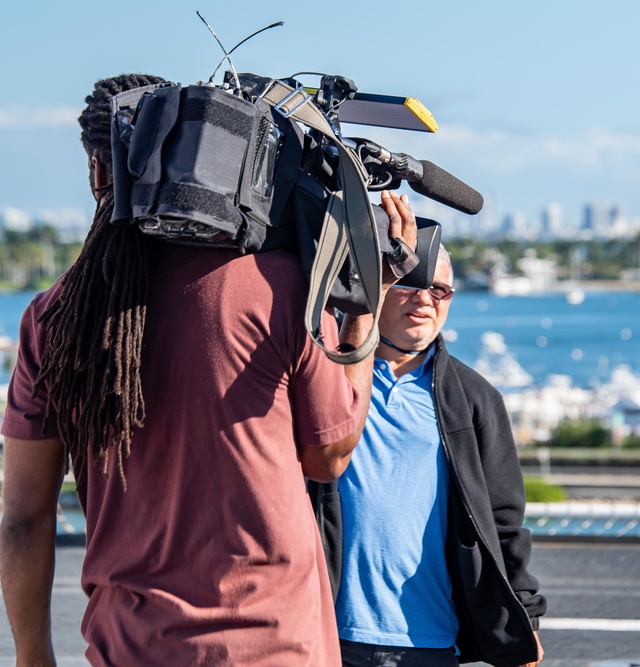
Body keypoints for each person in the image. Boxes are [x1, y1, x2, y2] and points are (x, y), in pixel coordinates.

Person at [0, 74, 417, 666]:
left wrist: (32, 656)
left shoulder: (55, 316)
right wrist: (367, 301)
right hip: (275, 646)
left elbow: (22, 517)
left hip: (127, 649)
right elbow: (330, 454)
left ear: (98, 173)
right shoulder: (280, 288)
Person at [316, 245, 546, 667]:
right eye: (409, 284)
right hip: (325, 631)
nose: (425, 299)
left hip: (429, 640)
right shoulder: (325, 379)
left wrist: (524, 616)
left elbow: (503, 519)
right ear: (377, 288)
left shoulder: (475, 399)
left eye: (439, 289)